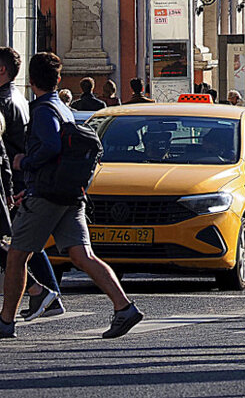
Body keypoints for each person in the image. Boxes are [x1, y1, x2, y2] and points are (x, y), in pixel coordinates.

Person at [1, 52, 143, 339]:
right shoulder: (63, 108)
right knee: (83, 255)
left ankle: (5, 322)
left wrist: (24, 162)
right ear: (58, 80)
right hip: (71, 194)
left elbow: (51, 146)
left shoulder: (42, 110)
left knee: (16, 256)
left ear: (30, 81)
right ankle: (123, 307)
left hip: (46, 194)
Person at [0, 48, 66, 320]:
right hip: (17, 179)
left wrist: (19, 171)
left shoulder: (3, 101)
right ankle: (47, 294)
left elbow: (8, 150)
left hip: (10, 179)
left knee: (18, 245)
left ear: (2, 70)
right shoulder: (17, 97)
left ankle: (42, 293)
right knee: (27, 242)